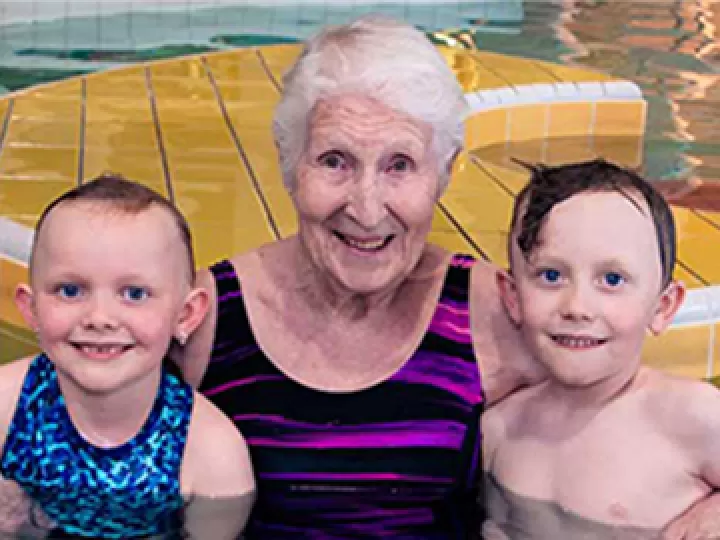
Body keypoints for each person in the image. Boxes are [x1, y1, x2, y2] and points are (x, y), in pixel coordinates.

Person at [173, 14, 720, 539]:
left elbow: (624, 422)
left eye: (400, 165)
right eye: (334, 160)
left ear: (446, 172)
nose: (366, 208)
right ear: (291, 165)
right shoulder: (207, 318)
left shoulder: (498, 315)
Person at [0, 174, 255, 539]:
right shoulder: (6, 407)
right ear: (31, 308)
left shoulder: (210, 455)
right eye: (70, 290)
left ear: (185, 315)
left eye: (134, 293)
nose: (99, 318)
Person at [482, 159, 720, 539]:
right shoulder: (499, 432)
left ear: (662, 308)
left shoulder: (690, 416)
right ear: (512, 296)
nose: (577, 306)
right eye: (551, 275)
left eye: (612, 279)